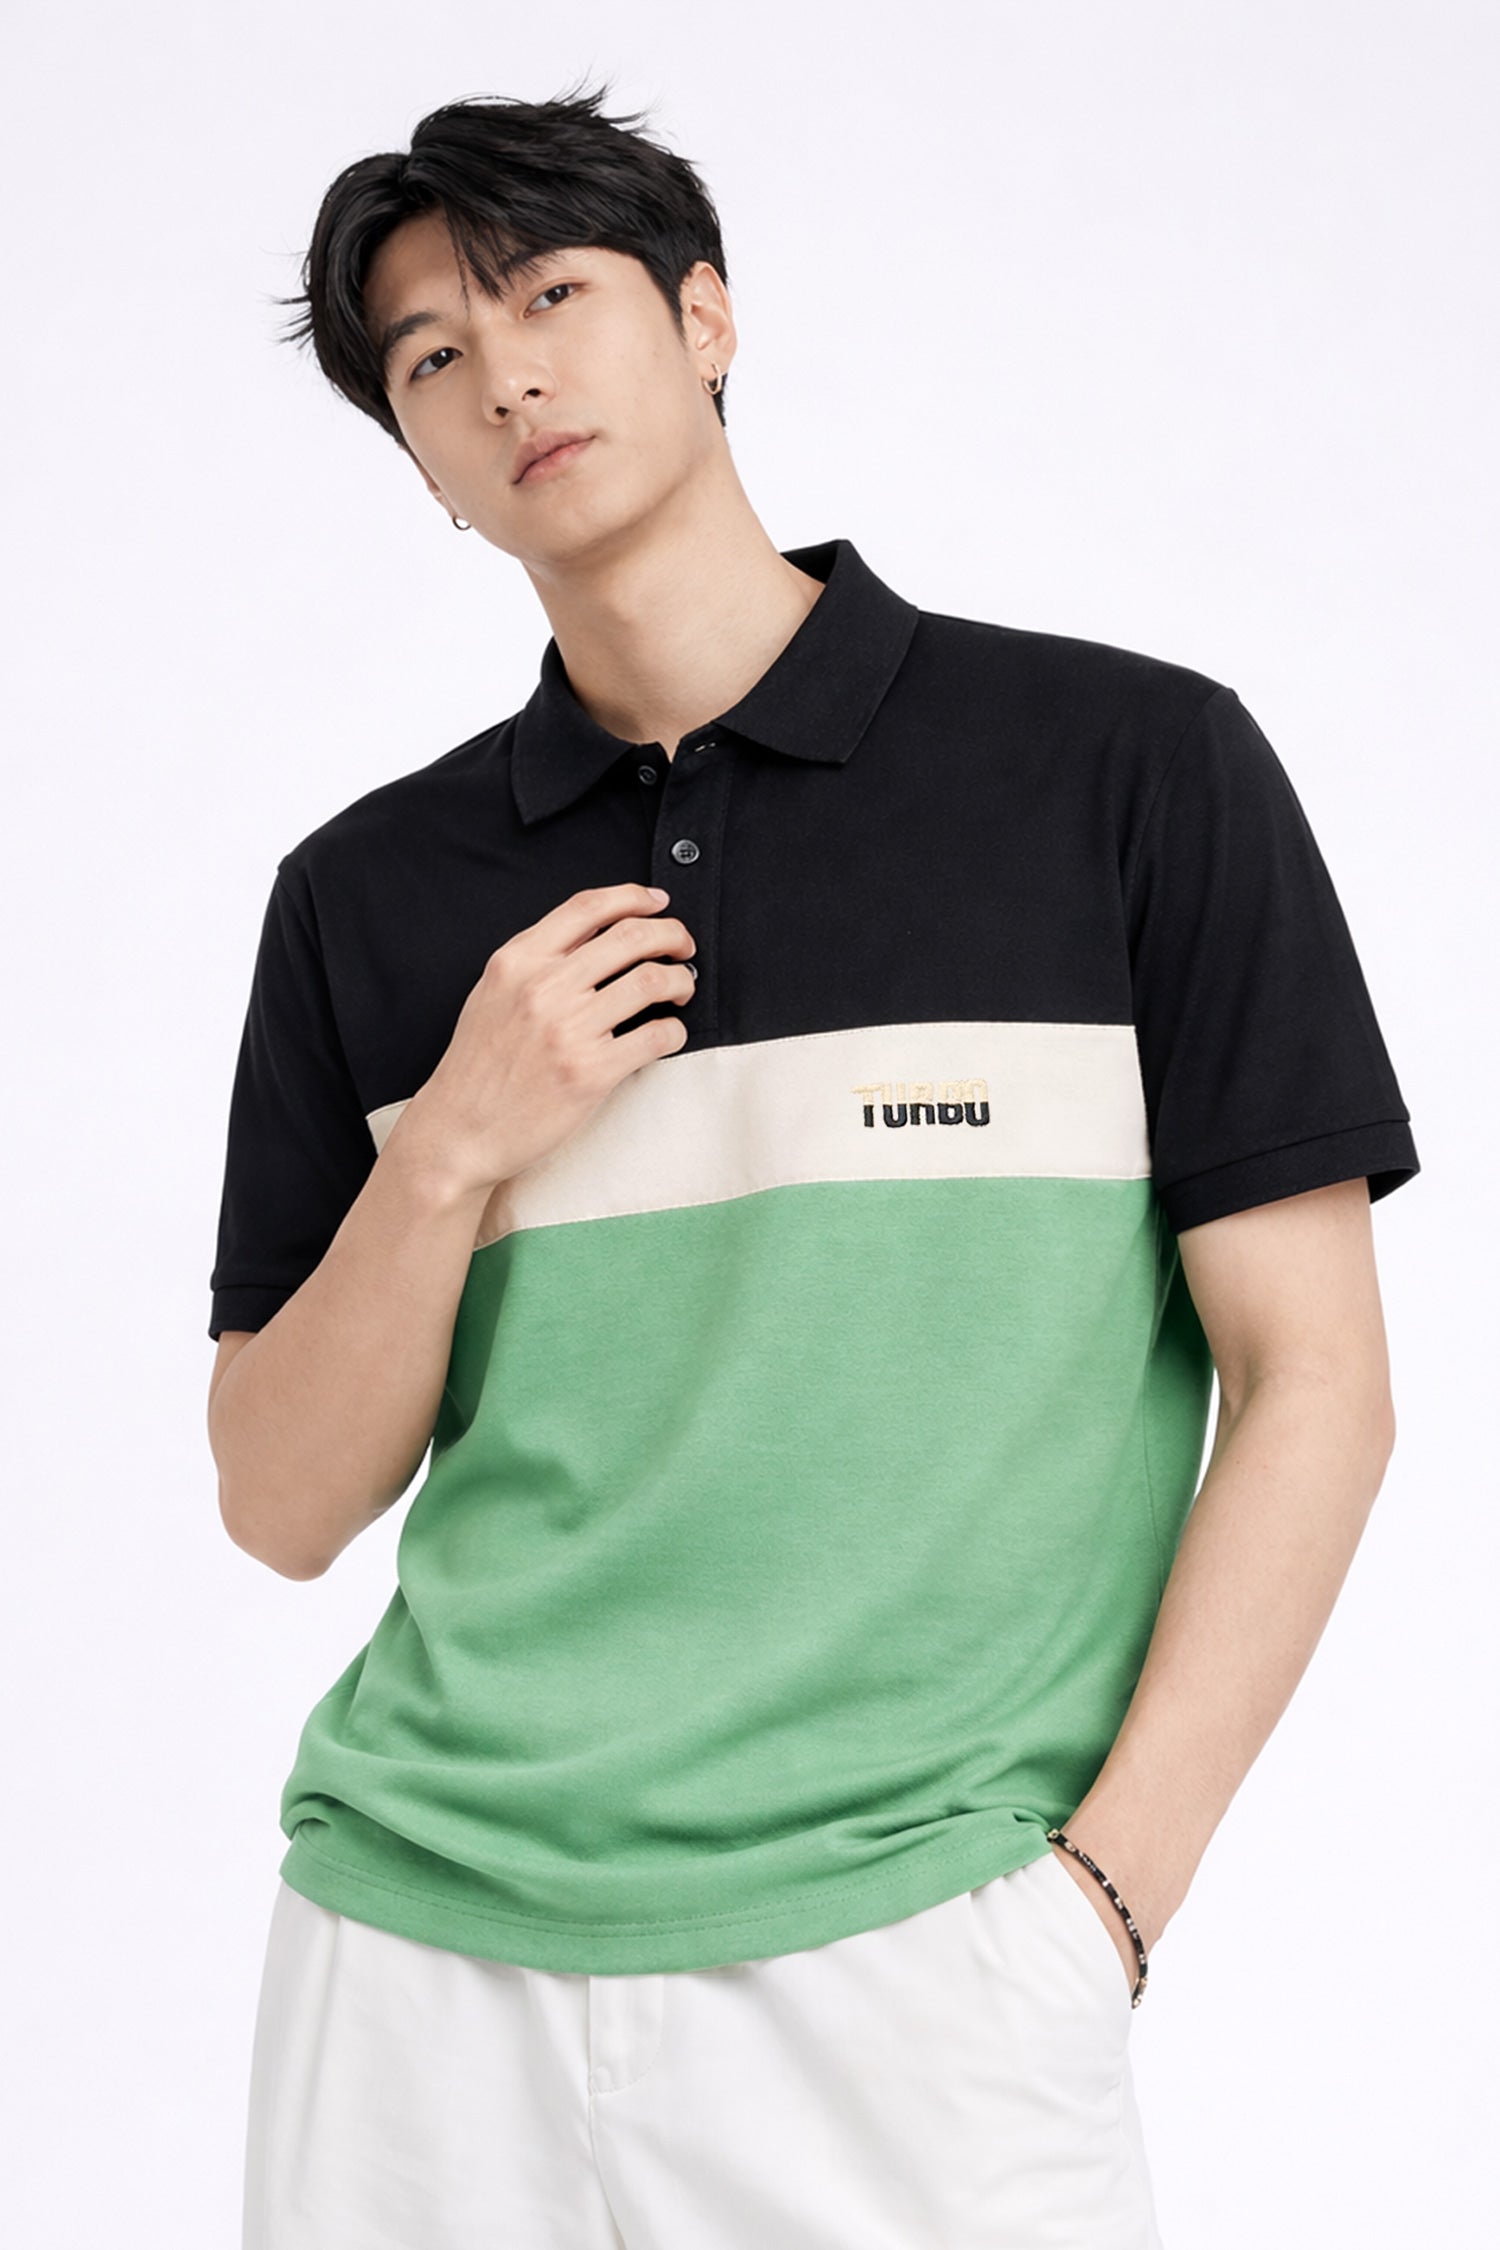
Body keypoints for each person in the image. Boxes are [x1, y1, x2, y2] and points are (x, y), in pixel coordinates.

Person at [207, 80, 1420, 2250]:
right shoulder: (366, 899)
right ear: (421, 464)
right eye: (434, 357)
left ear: (707, 317)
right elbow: (280, 1500)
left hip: (916, 1967)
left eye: (551, 297)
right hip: (415, 1968)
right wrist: (453, 1147)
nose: (508, 379)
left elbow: (1315, 1382)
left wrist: (1101, 1904)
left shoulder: (1125, 771)